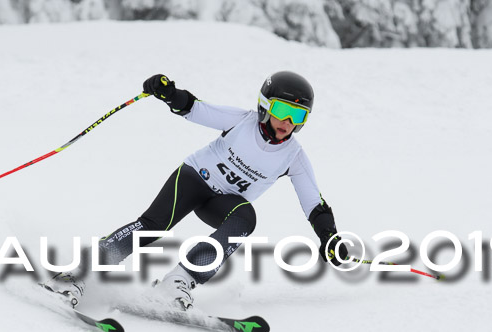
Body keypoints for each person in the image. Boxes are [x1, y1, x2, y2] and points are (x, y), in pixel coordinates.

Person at [43, 71, 348, 310]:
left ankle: (178, 281)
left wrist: (329, 237)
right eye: (283, 110)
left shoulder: (293, 157)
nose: (288, 122)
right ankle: (79, 273)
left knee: (246, 218)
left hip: (223, 203)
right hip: (193, 179)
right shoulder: (242, 122)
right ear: (265, 105)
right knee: (152, 226)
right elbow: (196, 109)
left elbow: (314, 202)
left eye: (299, 115)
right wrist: (169, 93)